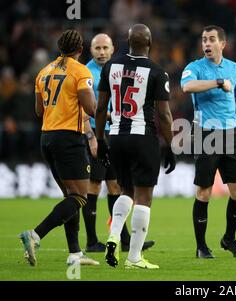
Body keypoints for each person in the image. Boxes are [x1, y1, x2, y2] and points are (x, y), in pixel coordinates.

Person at [96, 24, 176, 269]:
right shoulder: (157, 72)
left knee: (125, 190)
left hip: (117, 137)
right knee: (144, 196)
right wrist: (170, 146)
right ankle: (133, 257)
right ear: (150, 43)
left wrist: (100, 140)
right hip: (143, 137)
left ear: (127, 42)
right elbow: (164, 115)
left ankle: (113, 236)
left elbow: (100, 109)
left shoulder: (110, 67)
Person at [19, 29, 99, 266]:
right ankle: (34, 235)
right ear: (81, 50)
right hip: (69, 139)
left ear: (59, 48)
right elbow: (91, 108)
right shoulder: (80, 71)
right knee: (80, 197)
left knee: (69, 195)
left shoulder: (43, 72)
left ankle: (74, 253)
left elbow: (38, 111)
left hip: (47, 138)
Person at [180, 25, 236, 259]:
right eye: (204, 39)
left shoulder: (235, 69)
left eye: (212, 39)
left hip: (232, 133)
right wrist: (217, 82)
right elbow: (187, 87)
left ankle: (229, 238)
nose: (206, 43)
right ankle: (201, 247)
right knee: (204, 192)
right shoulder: (194, 68)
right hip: (206, 134)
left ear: (222, 44)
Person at [83, 33, 155, 253]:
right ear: (91, 50)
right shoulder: (86, 73)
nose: (101, 52)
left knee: (117, 186)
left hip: (115, 135)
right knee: (94, 186)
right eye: (97, 48)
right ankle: (92, 240)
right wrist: (92, 137)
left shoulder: (116, 68)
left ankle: (123, 239)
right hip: (96, 136)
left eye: (105, 48)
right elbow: (81, 110)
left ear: (113, 49)